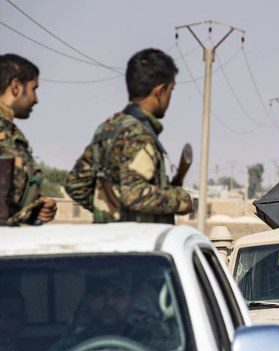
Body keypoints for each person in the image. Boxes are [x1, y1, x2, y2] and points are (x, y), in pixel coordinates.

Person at [65, 48, 192, 223]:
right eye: (171, 90)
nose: (170, 97)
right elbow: (134, 194)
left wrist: (108, 212)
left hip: (107, 242)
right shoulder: (139, 134)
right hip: (138, 243)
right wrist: (181, 200)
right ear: (160, 91)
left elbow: (76, 184)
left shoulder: (108, 128)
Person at [46, 270, 175, 351]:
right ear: (87, 301)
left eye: (118, 294)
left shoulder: (151, 340)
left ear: (131, 303)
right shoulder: (71, 345)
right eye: (99, 294)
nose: (109, 302)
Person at [0, 54, 57, 225]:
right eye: (34, 89)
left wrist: (35, 209)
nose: (36, 99)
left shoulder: (11, 134)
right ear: (16, 87)